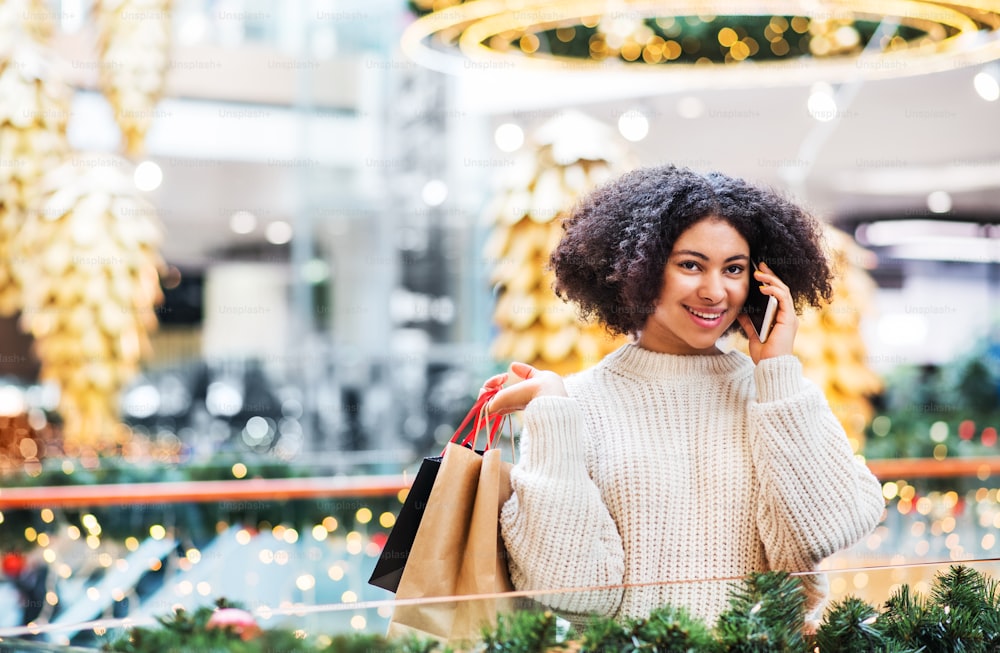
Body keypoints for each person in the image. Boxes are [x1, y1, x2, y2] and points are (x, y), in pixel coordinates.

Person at [482, 164, 885, 626]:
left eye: (733, 269)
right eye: (690, 265)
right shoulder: (574, 406)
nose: (715, 292)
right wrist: (553, 415)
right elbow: (575, 591)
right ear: (641, 268)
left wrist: (776, 371)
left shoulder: (779, 394)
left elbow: (823, 531)